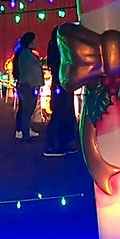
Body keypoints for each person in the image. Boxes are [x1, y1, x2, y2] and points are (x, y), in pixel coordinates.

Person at [42, 26, 78, 157]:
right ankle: (53, 145)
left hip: (63, 82)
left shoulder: (56, 47)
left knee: (66, 112)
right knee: (60, 113)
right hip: (60, 82)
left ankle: (64, 142)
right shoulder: (58, 48)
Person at [14, 32, 43, 141]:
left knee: (24, 109)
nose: (36, 42)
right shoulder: (27, 56)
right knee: (27, 110)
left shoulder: (24, 54)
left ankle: (23, 130)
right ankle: (25, 134)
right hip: (28, 86)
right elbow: (32, 72)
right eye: (35, 40)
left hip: (25, 85)